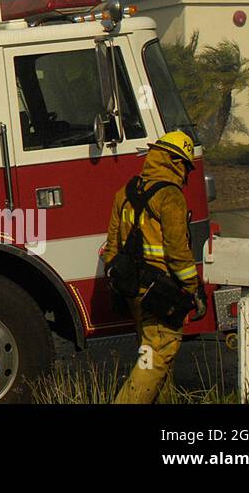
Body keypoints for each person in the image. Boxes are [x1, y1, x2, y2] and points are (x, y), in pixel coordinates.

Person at [102, 130, 208, 404]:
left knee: (150, 353)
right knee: (157, 358)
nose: (187, 173)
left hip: (133, 292)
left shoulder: (124, 192)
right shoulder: (170, 196)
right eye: (186, 165)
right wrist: (193, 288)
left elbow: (112, 247)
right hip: (160, 294)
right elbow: (177, 253)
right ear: (174, 162)